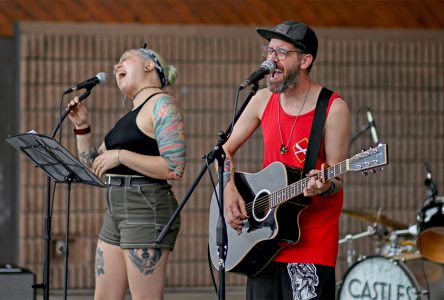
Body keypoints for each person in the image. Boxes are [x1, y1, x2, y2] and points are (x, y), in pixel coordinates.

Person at [223, 21, 350, 299]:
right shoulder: (261, 99)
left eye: (281, 53)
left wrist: (323, 185)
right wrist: (229, 188)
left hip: (311, 242)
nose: (271, 59)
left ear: (305, 60)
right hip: (263, 239)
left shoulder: (332, 108)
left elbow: (337, 180)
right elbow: (224, 150)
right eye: (269, 51)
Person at [67, 44, 186, 300]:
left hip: (146, 208)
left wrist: (121, 155)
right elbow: (93, 164)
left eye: (125, 60)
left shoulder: (163, 104)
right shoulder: (129, 117)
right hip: (116, 210)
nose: (116, 66)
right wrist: (83, 128)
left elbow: (174, 167)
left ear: (148, 65)